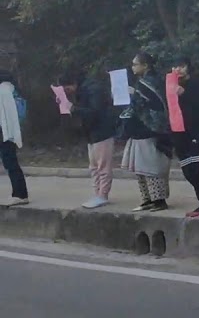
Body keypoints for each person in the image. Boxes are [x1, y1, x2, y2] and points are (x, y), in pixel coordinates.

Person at [119, 52, 172, 212]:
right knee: (140, 168)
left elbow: (152, 106)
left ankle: (159, 200)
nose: (133, 67)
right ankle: (147, 199)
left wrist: (134, 95)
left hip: (150, 130)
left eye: (135, 64)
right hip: (140, 130)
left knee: (152, 167)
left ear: (145, 65)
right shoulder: (141, 83)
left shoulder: (150, 83)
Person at [171, 57, 199, 218]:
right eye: (175, 66)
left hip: (196, 131)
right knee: (187, 169)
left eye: (182, 66)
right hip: (179, 133)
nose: (179, 69)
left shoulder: (198, 83)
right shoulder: (171, 85)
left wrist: (185, 94)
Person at [67, 71, 116, 208]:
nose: (68, 91)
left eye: (67, 88)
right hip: (91, 133)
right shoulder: (82, 91)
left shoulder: (93, 89)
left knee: (103, 166)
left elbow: (94, 112)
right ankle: (97, 193)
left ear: (73, 83)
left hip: (102, 132)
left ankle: (103, 195)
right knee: (94, 166)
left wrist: (74, 109)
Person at [0, 75, 29, 207]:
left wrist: (7, 135)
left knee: (11, 163)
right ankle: (18, 193)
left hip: (6, 134)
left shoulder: (3, 90)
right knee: (10, 163)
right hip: (7, 133)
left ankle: (20, 194)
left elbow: (5, 116)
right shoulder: (9, 89)